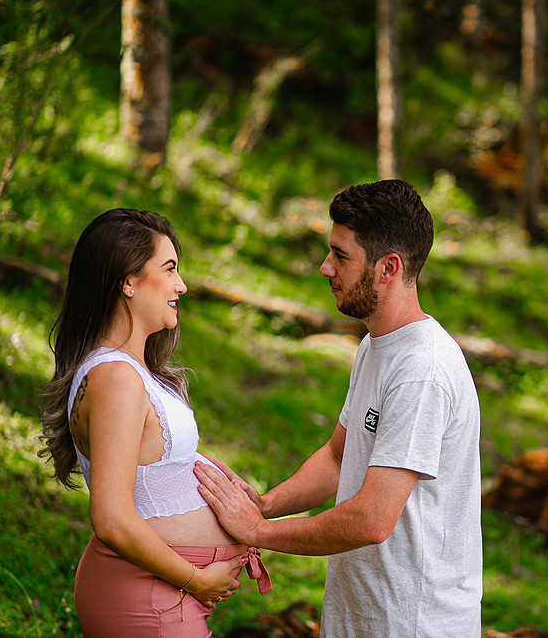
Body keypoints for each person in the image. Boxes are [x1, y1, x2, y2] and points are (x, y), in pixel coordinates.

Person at [195, 180, 482, 636]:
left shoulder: (422, 371)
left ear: (388, 268)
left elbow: (371, 520)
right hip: (360, 616)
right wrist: (264, 505)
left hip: (412, 624)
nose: (325, 267)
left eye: (341, 255)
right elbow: (337, 457)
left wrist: (258, 532)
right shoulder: (376, 345)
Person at [38, 209, 271, 637]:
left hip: (158, 593)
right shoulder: (115, 378)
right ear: (128, 282)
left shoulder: (129, 371)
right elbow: (111, 519)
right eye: (169, 269)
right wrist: (197, 579)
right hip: (148, 596)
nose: (181, 285)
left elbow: (148, 463)